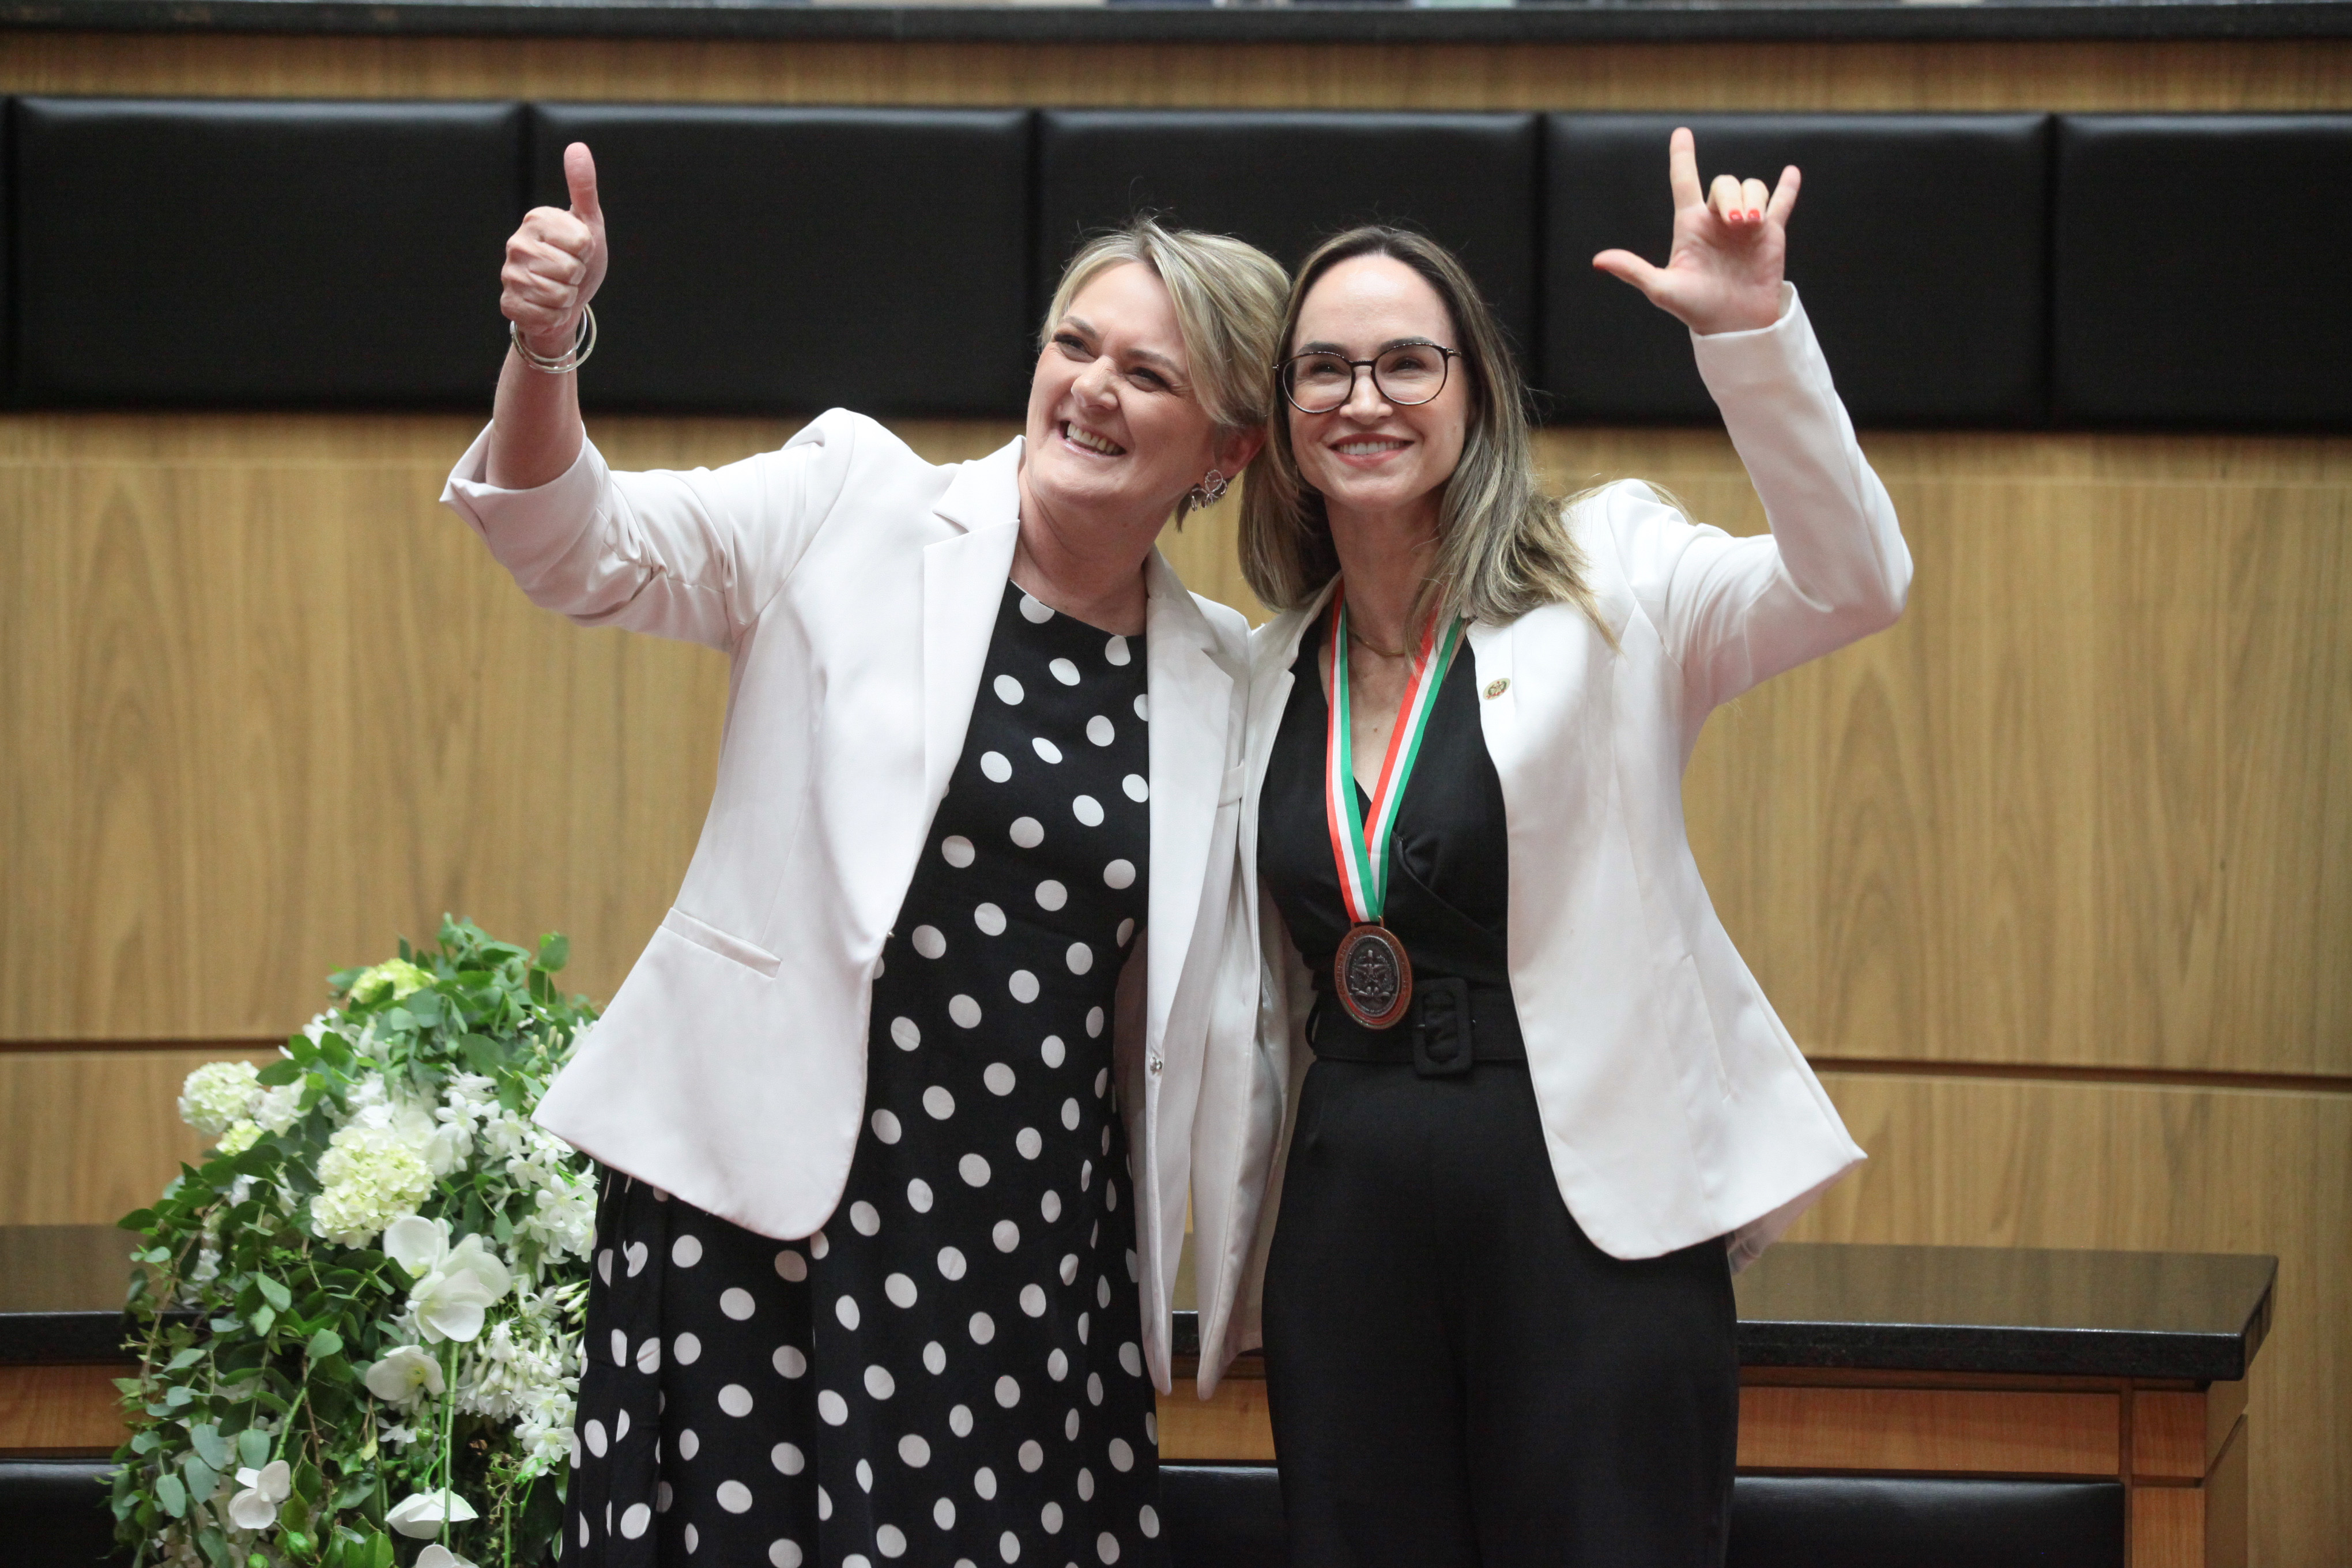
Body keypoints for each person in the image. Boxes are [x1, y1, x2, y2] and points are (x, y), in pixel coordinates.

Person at [442, 141, 1288, 1567]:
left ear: (1227, 448)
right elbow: (573, 545)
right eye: (1074, 344)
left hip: (1030, 1257)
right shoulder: (858, 502)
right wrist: (547, 350)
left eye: (1148, 373)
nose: (1091, 387)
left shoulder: (1233, 680)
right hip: (765, 1224)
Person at [1186, 129, 1913, 1566]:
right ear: (1280, 418)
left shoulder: (1615, 577)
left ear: (1476, 393)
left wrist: (1755, 337)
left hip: (1587, 1210)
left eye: (1407, 362)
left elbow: (1856, 580)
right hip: (1349, 1214)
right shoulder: (1258, 669)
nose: (1364, 398)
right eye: (1322, 369)